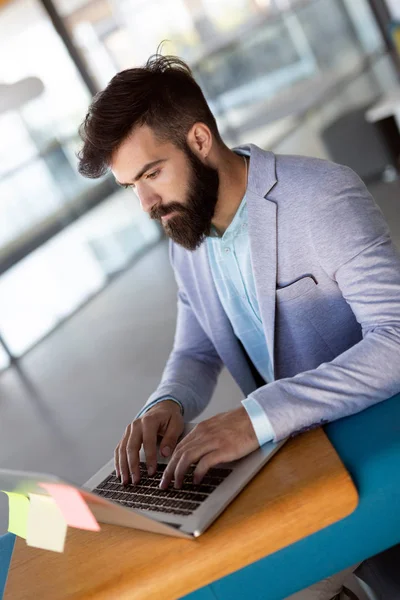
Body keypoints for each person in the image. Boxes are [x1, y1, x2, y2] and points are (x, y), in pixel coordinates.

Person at [78, 54, 400, 600]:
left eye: (152, 174)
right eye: (131, 186)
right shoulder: (189, 234)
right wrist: (168, 403)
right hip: (301, 459)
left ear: (200, 140)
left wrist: (255, 418)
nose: (148, 205)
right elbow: (197, 352)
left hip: (373, 447)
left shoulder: (320, 196)